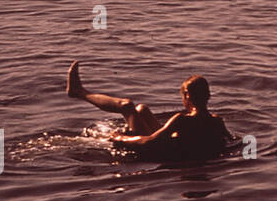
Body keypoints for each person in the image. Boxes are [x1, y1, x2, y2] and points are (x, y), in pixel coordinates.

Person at [66, 61, 231, 159]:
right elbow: (231, 141)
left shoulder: (182, 120)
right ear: (208, 95)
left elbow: (150, 141)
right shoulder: (217, 121)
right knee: (142, 109)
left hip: (155, 153)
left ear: (187, 96)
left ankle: (79, 92)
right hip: (172, 150)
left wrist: (121, 138)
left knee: (127, 106)